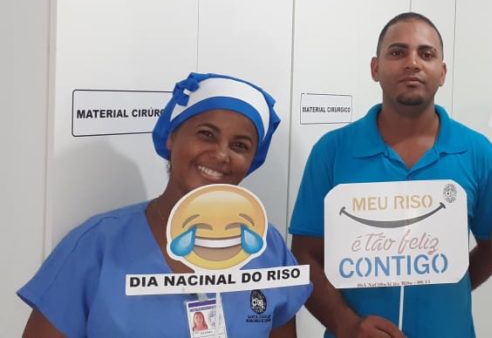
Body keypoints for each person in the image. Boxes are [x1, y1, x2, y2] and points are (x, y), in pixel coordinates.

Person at [19, 72, 312, 338]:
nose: (222, 154)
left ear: (251, 161)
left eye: (239, 146)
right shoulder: (96, 246)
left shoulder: (267, 248)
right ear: (172, 136)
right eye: (207, 134)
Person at [290, 12, 492, 338]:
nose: (412, 63)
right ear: (375, 68)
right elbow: (304, 255)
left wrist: (448, 285)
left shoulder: (478, 153)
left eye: (426, 54)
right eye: (397, 52)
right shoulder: (331, 151)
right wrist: (347, 324)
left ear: (442, 72)